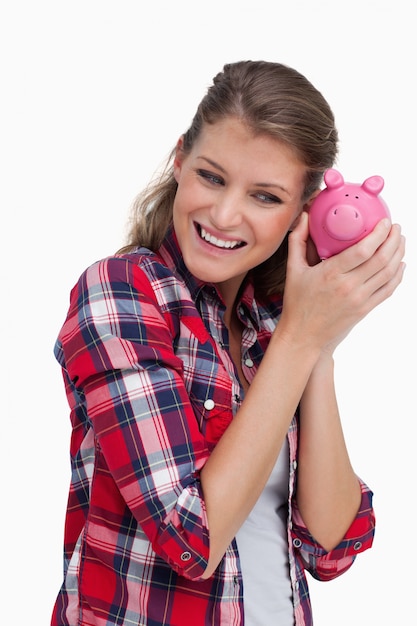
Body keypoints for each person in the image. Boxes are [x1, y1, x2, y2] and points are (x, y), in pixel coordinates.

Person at [51, 60, 405, 626]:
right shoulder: (122, 293)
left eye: (265, 197)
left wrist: (318, 344)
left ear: (302, 212)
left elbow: (331, 547)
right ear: (179, 158)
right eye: (211, 177)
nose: (224, 213)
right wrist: (300, 337)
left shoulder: (275, 327)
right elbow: (190, 538)